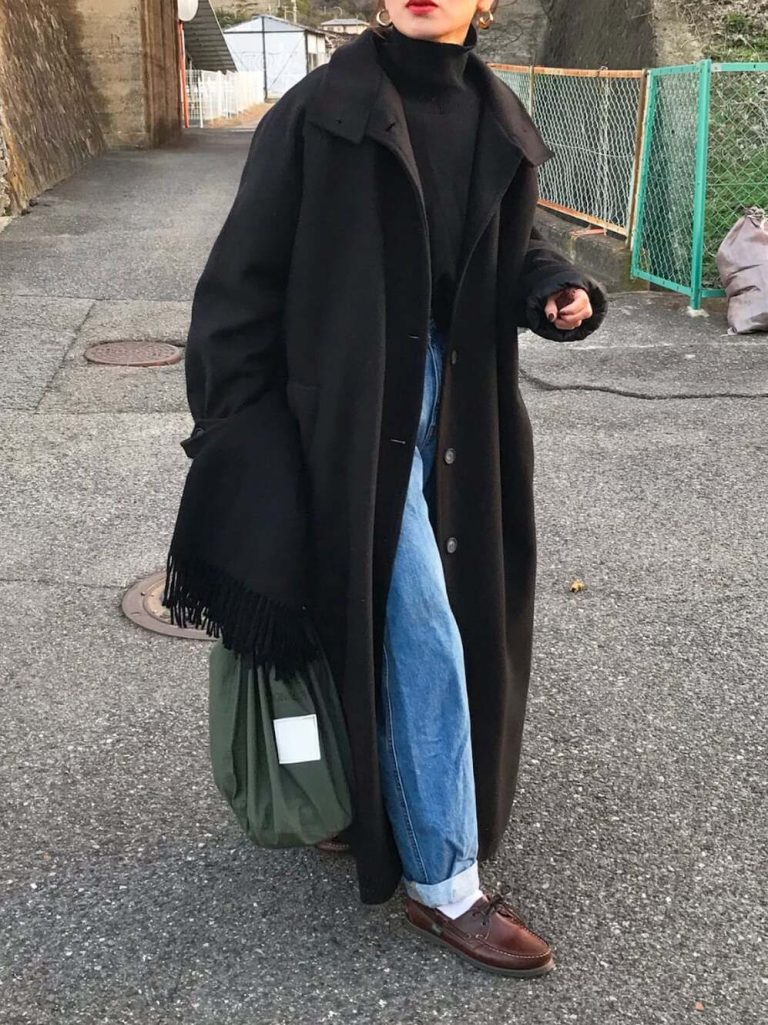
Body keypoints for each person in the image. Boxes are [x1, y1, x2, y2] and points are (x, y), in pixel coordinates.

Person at [180, 0, 607, 978]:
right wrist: (235, 434)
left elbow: (504, 247)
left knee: (404, 613)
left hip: (461, 412)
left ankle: (362, 799)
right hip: (347, 414)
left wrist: (553, 285)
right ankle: (445, 880)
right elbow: (239, 284)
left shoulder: (497, 118)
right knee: (422, 625)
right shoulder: (317, 113)